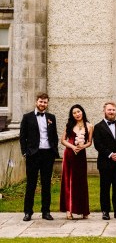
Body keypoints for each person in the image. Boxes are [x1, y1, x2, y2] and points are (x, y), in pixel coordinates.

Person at [19, 92, 59, 222]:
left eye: (45, 102)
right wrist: (25, 152)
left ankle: (46, 211)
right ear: (36, 102)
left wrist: (54, 151)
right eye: (41, 102)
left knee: (46, 184)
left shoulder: (51, 117)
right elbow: (22, 136)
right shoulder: (27, 117)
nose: (43, 104)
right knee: (31, 184)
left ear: (47, 103)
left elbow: (54, 136)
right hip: (33, 154)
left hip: (48, 154)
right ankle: (28, 212)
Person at [93, 101, 116, 221]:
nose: (111, 112)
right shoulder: (98, 127)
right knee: (105, 188)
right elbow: (98, 144)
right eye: (109, 110)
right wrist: (110, 154)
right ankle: (105, 211)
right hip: (105, 162)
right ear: (104, 111)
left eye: (113, 110)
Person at [60, 104, 93, 219]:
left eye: (78, 111)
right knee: (69, 181)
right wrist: (72, 147)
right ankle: (69, 210)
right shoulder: (69, 125)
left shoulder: (89, 126)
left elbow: (90, 142)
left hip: (81, 155)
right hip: (69, 155)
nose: (77, 114)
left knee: (81, 181)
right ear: (72, 115)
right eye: (74, 113)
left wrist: (82, 146)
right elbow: (63, 140)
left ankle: (83, 210)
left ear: (82, 112)